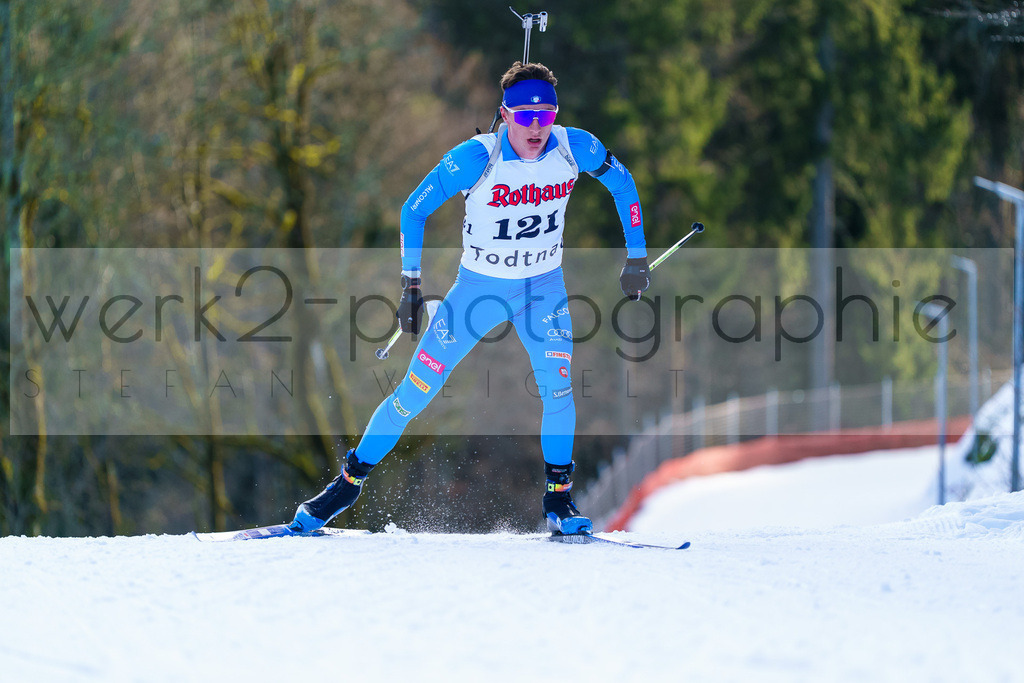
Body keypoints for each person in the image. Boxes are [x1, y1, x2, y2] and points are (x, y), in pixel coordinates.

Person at [290, 61, 650, 535]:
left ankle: (559, 500)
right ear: (505, 115)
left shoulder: (575, 147)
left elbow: (623, 185)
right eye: (525, 116)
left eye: (547, 114)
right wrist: (411, 285)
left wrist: (637, 257)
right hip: (478, 292)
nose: (537, 127)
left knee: (558, 389)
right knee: (414, 393)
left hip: (543, 290)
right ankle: (345, 486)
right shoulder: (475, 158)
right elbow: (412, 211)